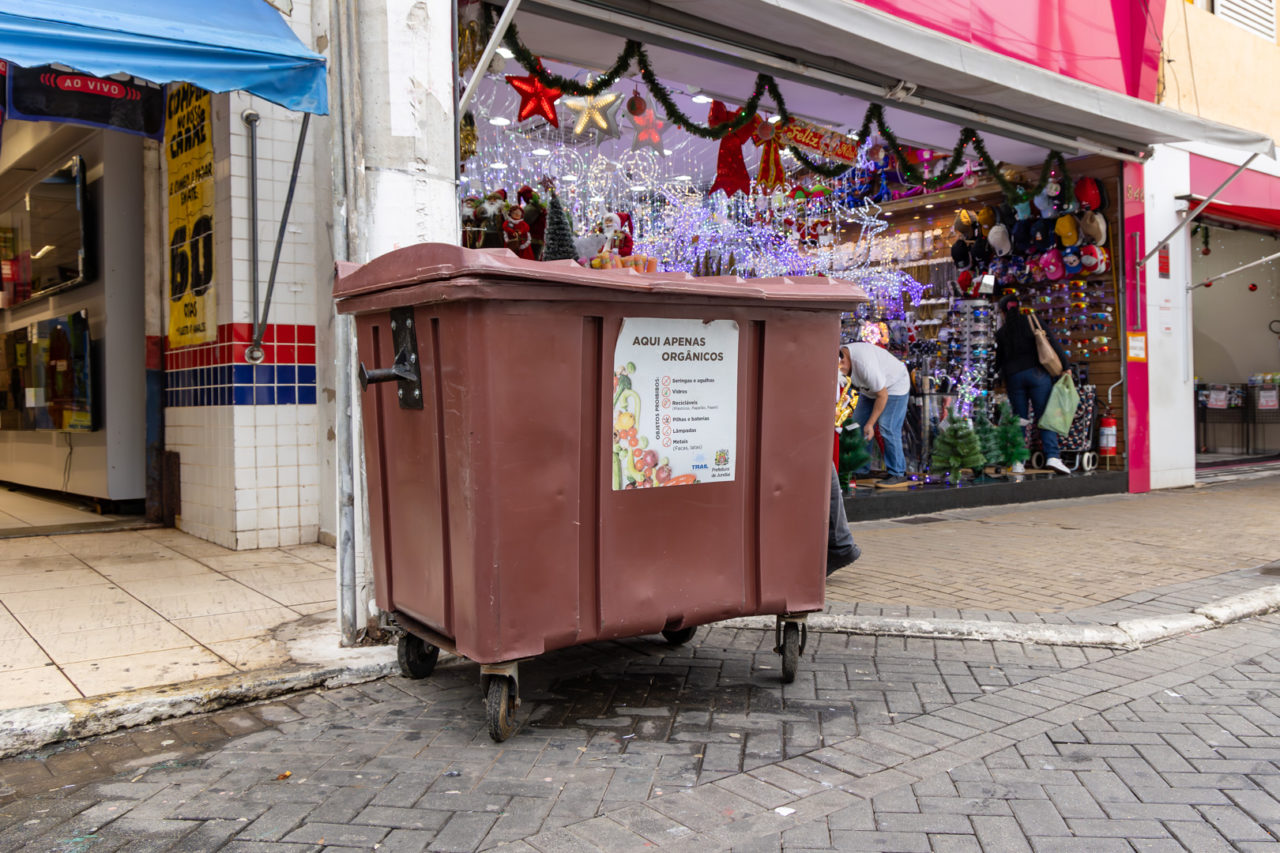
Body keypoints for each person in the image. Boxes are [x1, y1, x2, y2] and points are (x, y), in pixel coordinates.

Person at [993, 293, 1071, 475]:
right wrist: (1065, 366)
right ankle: (1053, 456)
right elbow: (1052, 342)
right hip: (1037, 375)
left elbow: (999, 361)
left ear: (1003, 312)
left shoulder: (1002, 332)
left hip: (1014, 377)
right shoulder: (1032, 321)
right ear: (1018, 307)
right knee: (1045, 415)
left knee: (1020, 418)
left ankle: (1018, 461)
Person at [840, 338, 911, 488]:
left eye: (842, 370)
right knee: (857, 426)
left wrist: (871, 424)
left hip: (894, 386)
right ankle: (862, 468)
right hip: (870, 390)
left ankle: (898, 472)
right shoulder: (840, 357)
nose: (842, 373)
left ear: (844, 360)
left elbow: (882, 395)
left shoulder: (865, 365)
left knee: (887, 427)